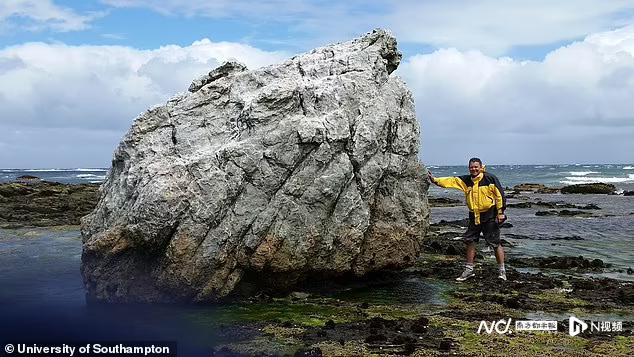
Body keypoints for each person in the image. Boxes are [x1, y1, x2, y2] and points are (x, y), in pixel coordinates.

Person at [428, 158, 507, 281]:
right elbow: (452, 181)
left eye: (476, 167)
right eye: (471, 167)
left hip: (490, 214)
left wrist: (501, 212)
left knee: (495, 243)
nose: (474, 169)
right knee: (469, 241)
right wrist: (435, 180)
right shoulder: (466, 180)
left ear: (481, 167)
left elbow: (499, 195)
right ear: (469, 168)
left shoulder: (490, 178)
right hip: (474, 215)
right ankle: (469, 270)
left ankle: (502, 271)